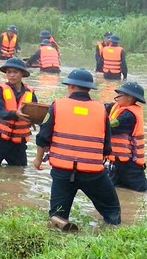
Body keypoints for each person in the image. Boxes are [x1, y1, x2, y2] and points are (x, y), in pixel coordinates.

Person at [33, 68, 121, 225]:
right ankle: (112, 231)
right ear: (89, 88)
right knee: (112, 210)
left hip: (63, 172)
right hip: (93, 173)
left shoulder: (57, 106)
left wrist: (38, 160)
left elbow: (42, 138)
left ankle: (60, 224)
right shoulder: (101, 110)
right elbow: (107, 147)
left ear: (71, 86)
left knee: (57, 214)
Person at [0, 58, 37, 166]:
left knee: (19, 173)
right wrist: (15, 113)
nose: (11, 75)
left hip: (18, 144)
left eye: (15, 72)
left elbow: (35, 112)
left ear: (22, 74)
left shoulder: (30, 93)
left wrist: (34, 120)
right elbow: (1, 113)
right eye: (9, 72)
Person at [105, 82, 146, 192]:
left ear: (129, 98)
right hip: (117, 162)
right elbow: (103, 108)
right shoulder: (117, 107)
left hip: (129, 165)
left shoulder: (128, 115)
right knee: (115, 190)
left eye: (120, 94)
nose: (117, 97)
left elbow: (109, 127)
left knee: (141, 190)